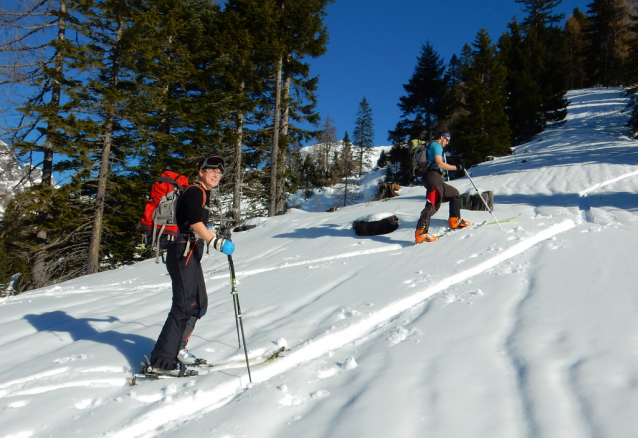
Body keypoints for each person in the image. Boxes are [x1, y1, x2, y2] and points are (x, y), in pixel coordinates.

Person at [149, 155, 235, 376]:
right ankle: (161, 360)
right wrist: (214, 241)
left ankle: (177, 349)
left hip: (188, 252)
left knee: (199, 304)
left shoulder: (201, 193)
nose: (216, 174)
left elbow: (194, 223)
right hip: (181, 252)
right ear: (201, 171)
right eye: (211, 170)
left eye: (219, 172)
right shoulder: (195, 191)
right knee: (184, 305)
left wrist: (216, 237)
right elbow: (196, 222)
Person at [415, 131, 471, 243]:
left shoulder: (433, 146)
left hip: (434, 178)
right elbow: (439, 164)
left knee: (454, 193)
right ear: (441, 137)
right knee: (433, 204)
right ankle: (421, 232)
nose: (447, 143)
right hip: (433, 177)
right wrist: (458, 167)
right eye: (447, 140)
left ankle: (454, 219)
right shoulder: (436, 145)